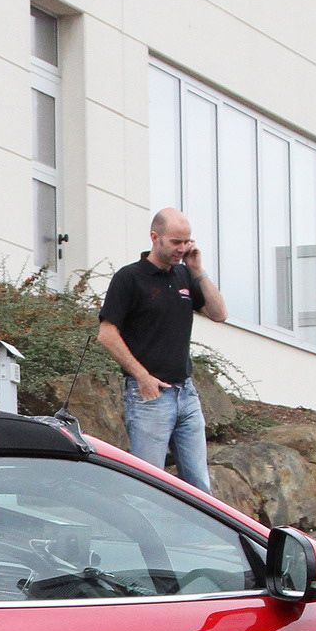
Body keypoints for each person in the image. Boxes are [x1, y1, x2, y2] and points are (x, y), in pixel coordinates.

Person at [96, 208, 227, 492]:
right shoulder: (130, 278)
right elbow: (106, 334)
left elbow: (219, 313)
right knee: (150, 485)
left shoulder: (184, 276)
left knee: (199, 486)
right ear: (155, 238)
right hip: (149, 397)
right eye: (175, 242)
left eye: (186, 241)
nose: (182, 248)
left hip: (186, 393)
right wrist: (143, 378)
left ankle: (199, 538)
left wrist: (197, 270)